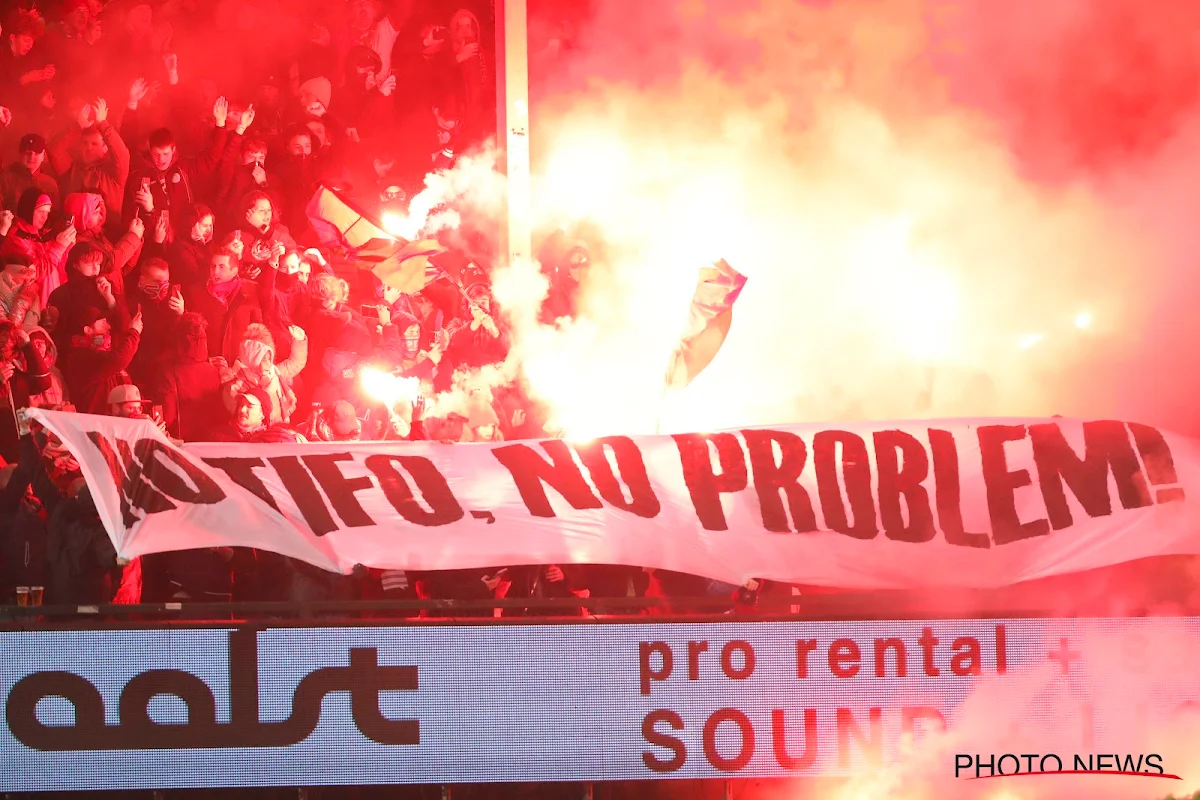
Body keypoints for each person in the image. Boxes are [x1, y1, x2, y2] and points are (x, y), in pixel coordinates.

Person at [48, 98, 131, 222]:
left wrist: (103, 124)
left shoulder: (113, 174)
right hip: (72, 237)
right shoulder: (70, 170)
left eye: (94, 144)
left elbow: (123, 154)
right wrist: (77, 126)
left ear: (105, 147)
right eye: (85, 143)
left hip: (106, 238)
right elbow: (53, 150)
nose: (88, 148)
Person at [154, 312, 229, 442]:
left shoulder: (169, 373)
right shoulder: (213, 370)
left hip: (183, 442)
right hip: (210, 440)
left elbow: (168, 415)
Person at [182, 247, 262, 364]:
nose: (215, 271)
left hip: (238, 363)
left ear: (234, 271)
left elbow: (258, 328)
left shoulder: (249, 291)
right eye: (213, 266)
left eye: (221, 267)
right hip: (207, 361)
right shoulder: (196, 292)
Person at [221, 322, 307, 425]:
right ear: (249, 360)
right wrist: (267, 393)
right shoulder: (236, 387)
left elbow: (295, 364)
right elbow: (244, 419)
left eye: (267, 359)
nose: (265, 365)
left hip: (281, 429)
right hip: (259, 437)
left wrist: (300, 341)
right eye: (259, 360)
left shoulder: (274, 373)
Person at [63, 304, 143, 415]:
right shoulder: (81, 357)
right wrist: (134, 332)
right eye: (101, 322)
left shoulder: (105, 353)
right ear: (87, 330)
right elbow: (119, 359)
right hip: (94, 428)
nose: (107, 324)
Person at [0, 189, 74, 306]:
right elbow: (35, 272)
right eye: (41, 212)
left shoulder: (38, 233)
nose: (44, 217)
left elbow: (53, 261)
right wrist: (59, 246)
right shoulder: (15, 238)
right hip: (28, 304)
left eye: (47, 212)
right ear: (28, 210)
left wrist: (66, 243)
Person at [61, 191, 145, 291]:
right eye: (96, 213)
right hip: (100, 301)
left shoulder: (98, 236)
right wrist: (134, 236)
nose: (101, 217)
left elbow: (121, 270)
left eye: (101, 212)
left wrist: (137, 241)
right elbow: (112, 262)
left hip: (116, 297)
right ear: (81, 216)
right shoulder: (78, 243)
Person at [1, 134, 59, 210]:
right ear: (20, 154)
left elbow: (55, 217)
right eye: (27, 152)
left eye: (37, 153)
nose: (32, 157)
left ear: (43, 156)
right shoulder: (6, 181)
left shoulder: (50, 184)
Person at [0, 255, 43, 332]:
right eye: (22, 280)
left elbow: (30, 329)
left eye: (31, 280)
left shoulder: (31, 293)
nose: (27, 284)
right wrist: (23, 301)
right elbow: (8, 332)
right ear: (9, 277)